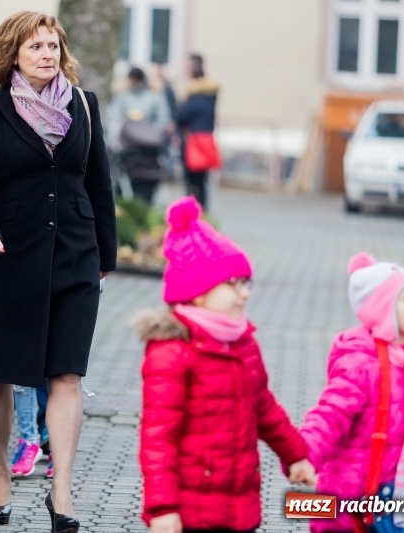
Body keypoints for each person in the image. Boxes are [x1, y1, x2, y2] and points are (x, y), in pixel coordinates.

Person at [0, 11, 117, 530]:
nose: (47, 54)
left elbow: (99, 181)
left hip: (74, 253)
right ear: (13, 55)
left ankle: (61, 490)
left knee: (67, 373)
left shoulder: (83, 105)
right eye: (35, 46)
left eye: (53, 45)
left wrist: (106, 253)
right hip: (8, 253)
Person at [135, 196, 314, 533]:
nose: (244, 293)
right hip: (189, 513)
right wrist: (163, 508)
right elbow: (158, 438)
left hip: (239, 507)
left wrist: (296, 455)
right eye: (233, 284)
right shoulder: (173, 351)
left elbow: (265, 409)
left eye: (246, 283)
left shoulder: (243, 344)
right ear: (198, 292)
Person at [300, 252, 404, 533]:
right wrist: (302, 454)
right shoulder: (360, 362)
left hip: (395, 491)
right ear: (383, 309)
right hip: (350, 494)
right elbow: (331, 413)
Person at [106, 66, 170, 205]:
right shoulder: (122, 97)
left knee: (146, 190)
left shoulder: (155, 97)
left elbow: (163, 119)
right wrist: (115, 140)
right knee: (123, 186)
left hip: (149, 153)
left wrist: (150, 135)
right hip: (127, 151)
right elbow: (113, 119)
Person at [176, 53, 219, 211]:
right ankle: (202, 211)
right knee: (202, 182)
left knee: (192, 183)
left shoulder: (194, 95)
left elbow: (181, 116)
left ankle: (194, 212)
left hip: (193, 141)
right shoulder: (211, 94)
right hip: (205, 140)